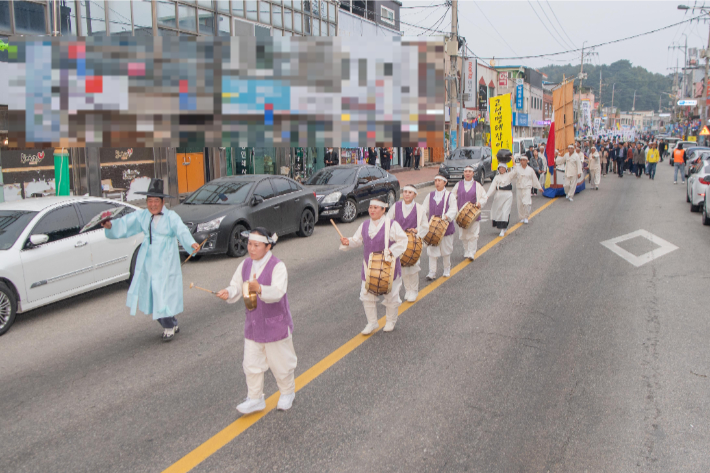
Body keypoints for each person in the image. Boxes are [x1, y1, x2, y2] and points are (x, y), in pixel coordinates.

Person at [101, 179, 199, 342]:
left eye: (156, 201)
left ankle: (168, 326)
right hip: (148, 261)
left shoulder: (171, 217)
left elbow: (181, 230)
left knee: (162, 293)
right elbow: (126, 224)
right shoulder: (142, 215)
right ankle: (172, 322)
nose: (152, 205)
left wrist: (191, 243)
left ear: (162, 202)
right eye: (150, 201)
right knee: (152, 294)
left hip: (166, 260)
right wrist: (111, 226)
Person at [216, 228, 297, 414]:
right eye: (250, 244)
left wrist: (259, 288)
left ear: (268, 246)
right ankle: (255, 398)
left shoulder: (278, 266)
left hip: (275, 324)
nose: (251, 249)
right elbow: (237, 285)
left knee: (281, 363)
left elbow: (278, 292)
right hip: (253, 323)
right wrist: (229, 292)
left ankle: (287, 392)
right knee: (251, 363)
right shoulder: (245, 265)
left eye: (256, 245)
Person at [340, 200, 408, 333]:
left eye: (376, 208)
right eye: (371, 207)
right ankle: (372, 323)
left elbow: (403, 240)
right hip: (369, 268)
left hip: (389, 268)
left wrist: (391, 251)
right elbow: (357, 240)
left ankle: (390, 321)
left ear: (383, 210)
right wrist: (348, 241)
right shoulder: (365, 225)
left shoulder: (391, 224)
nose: (372, 210)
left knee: (391, 295)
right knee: (366, 295)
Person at [387, 186, 428, 301]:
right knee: (403, 267)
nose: (407, 194)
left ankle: (414, 290)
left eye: (410, 192)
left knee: (413, 267)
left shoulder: (419, 209)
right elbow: (388, 221)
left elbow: (425, 226)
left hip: (413, 243)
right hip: (399, 243)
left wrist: (417, 231)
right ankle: (408, 289)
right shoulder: (396, 206)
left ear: (414, 195)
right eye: (405, 192)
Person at [422, 175, 457, 280]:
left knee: (446, 250)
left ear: (445, 182)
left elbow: (453, 209)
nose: (437, 183)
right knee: (432, 250)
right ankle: (432, 272)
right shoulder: (430, 195)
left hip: (445, 228)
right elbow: (424, 209)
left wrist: (446, 216)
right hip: (432, 229)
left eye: (439, 181)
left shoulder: (450, 195)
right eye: (436, 180)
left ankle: (447, 268)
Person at [451, 165, 487, 261]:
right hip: (461, 215)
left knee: (473, 234)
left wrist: (480, 203)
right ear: (463, 173)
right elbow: (452, 197)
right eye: (466, 171)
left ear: (473, 173)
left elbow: (484, 197)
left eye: (469, 171)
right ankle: (466, 250)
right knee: (463, 234)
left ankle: (472, 252)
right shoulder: (458, 185)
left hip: (474, 215)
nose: (467, 173)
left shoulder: (478, 186)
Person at [486, 151, 515, 237]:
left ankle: (503, 229)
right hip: (499, 196)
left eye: (503, 168)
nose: (502, 169)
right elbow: (492, 187)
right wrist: (487, 196)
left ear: (505, 169)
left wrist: (513, 161)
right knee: (499, 212)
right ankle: (502, 226)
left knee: (505, 211)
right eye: (500, 168)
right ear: (498, 169)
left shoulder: (509, 175)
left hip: (508, 195)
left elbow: (516, 171)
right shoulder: (497, 177)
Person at [509, 155, 543, 223]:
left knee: (527, 203)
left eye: (524, 160)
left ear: (527, 161)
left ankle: (526, 216)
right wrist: (513, 164)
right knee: (520, 204)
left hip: (527, 188)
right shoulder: (517, 169)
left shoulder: (530, 170)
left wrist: (539, 187)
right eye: (521, 160)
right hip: (519, 188)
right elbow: (511, 175)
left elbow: (535, 179)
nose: (522, 161)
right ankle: (522, 217)